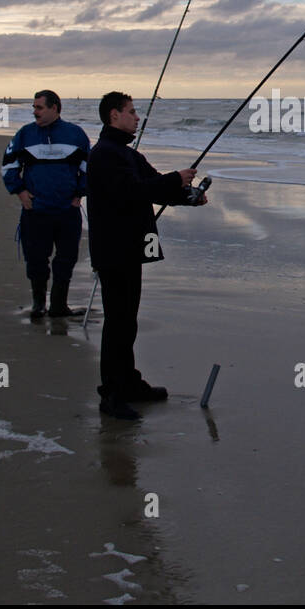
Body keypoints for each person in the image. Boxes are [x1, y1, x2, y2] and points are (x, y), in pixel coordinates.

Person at [87, 91, 206, 420]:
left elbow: (155, 185)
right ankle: (111, 394)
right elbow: (130, 193)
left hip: (130, 249)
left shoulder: (127, 154)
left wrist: (189, 196)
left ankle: (129, 383)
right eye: (131, 111)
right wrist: (173, 179)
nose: (137, 117)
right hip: (113, 251)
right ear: (114, 116)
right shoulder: (104, 155)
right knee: (117, 323)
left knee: (127, 322)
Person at [1, 90, 91, 319]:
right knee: (36, 260)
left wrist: (79, 194)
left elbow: (89, 170)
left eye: (39, 107)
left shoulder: (76, 134)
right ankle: (39, 305)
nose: (35, 112)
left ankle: (59, 306)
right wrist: (20, 192)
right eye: (34, 107)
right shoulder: (25, 135)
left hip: (67, 212)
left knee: (66, 260)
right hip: (35, 211)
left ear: (54, 108)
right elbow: (8, 166)